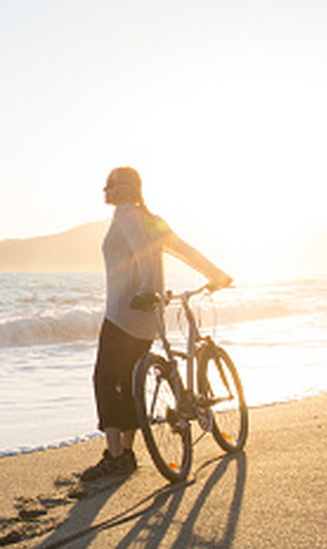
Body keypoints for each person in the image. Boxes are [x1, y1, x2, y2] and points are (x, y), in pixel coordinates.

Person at [82, 167, 233, 481]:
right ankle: (125, 450)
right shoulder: (152, 221)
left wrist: (147, 291)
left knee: (106, 380)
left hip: (124, 314)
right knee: (128, 382)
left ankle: (116, 456)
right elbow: (185, 250)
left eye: (108, 184)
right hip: (148, 319)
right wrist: (216, 275)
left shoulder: (126, 217)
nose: (103, 189)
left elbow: (141, 254)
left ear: (124, 188)